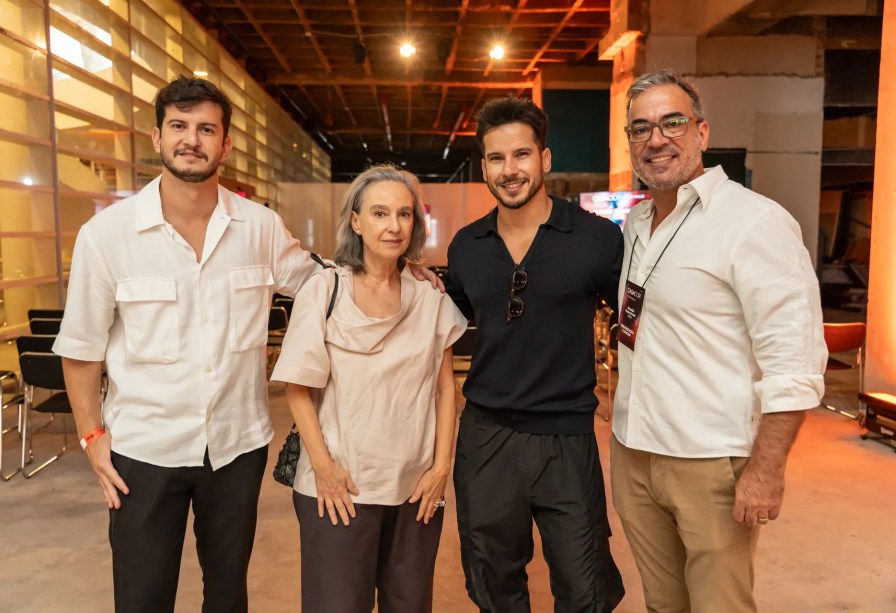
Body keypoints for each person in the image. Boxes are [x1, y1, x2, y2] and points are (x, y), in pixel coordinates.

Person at [54, 76, 440, 612]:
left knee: (228, 594)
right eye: (180, 127)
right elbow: (81, 348)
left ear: (226, 144)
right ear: (157, 137)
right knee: (142, 596)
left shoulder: (258, 227)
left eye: (206, 129)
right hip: (143, 449)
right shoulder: (108, 235)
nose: (193, 139)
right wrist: (92, 435)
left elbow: (322, 278)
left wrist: (402, 265)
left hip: (235, 447)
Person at [610, 69, 827, 613]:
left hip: (711, 461)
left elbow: (794, 361)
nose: (656, 139)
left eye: (672, 122)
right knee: (663, 604)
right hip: (634, 452)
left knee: (719, 606)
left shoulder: (754, 222)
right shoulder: (636, 224)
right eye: (640, 129)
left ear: (702, 133)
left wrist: (767, 469)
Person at [445, 97, 625, 612]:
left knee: (584, 583)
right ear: (484, 166)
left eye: (521, 155)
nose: (510, 170)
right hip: (486, 436)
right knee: (491, 579)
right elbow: (437, 324)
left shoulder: (596, 238)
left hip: (566, 437)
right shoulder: (466, 247)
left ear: (544, 159)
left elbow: (644, 321)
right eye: (497, 159)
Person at [271, 164, 467, 612]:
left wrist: (441, 467)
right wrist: (322, 465)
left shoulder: (429, 296)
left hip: (415, 488)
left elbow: (444, 391)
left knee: (410, 605)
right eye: (379, 213)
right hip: (341, 485)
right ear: (356, 221)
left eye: (404, 214)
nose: (393, 226)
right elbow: (298, 388)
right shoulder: (324, 290)